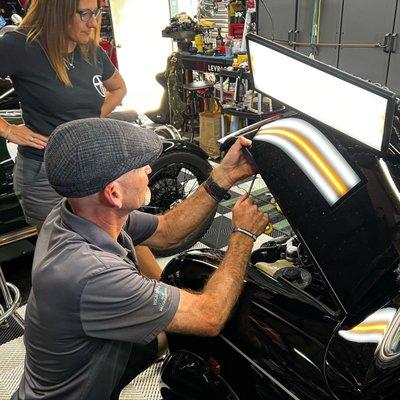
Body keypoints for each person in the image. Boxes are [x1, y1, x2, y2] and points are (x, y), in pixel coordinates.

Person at [12, 118, 269, 400]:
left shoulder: (72, 213)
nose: (149, 169)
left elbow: (168, 230)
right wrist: (243, 234)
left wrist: (224, 177)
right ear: (114, 193)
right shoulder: (92, 274)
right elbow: (209, 316)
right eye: (139, 166)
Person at [0, 0, 126, 229]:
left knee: (115, 239)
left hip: (91, 166)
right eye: (84, 14)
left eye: (96, 12)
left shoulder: (90, 50)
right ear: (57, 11)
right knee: (65, 255)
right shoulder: (20, 45)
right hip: (45, 175)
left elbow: (118, 88)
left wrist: (91, 120)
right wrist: (8, 130)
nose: (94, 22)